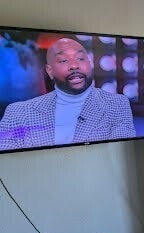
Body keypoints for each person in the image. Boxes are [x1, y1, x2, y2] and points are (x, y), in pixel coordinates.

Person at [0, 38, 135, 150]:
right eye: (63, 60)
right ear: (50, 71)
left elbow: (121, 154)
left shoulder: (117, 105)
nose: (74, 66)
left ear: (90, 64)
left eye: (81, 58)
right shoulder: (17, 113)